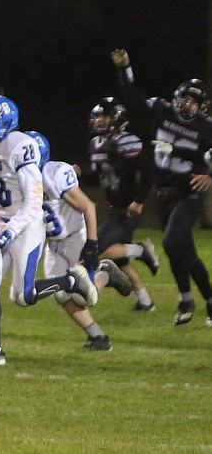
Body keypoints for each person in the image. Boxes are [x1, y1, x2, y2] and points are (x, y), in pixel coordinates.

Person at [0, 95, 97, 366]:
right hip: (4, 221)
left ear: (3, 122)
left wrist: (10, 230)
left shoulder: (20, 145)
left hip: (26, 224)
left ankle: (70, 281)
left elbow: (34, 199)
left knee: (23, 298)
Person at [112, 49, 212, 326]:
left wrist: (208, 173)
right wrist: (125, 70)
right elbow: (133, 103)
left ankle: (186, 300)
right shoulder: (163, 109)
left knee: (170, 242)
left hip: (188, 191)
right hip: (164, 191)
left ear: (202, 106)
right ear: (178, 97)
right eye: (187, 98)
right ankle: (204, 300)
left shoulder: (206, 128)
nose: (190, 105)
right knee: (185, 253)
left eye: (195, 101)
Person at [28, 131, 134, 352]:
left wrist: (92, 244)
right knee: (61, 293)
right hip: (53, 242)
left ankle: (104, 272)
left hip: (74, 236)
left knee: (85, 297)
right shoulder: (24, 177)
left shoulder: (54, 173)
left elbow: (88, 206)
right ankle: (98, 337)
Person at [77, 97, 159, 312]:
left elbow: (149, 170)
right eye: (96, 116)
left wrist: (139, 201)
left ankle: (141, 250)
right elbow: (98, 178)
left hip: (129, 208)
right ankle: (145, 301)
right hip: (116, 208)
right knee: (120, 261)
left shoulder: (125, 141)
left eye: (104, 116)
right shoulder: (95, 143)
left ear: (116, 117)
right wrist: (79, 175)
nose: (99, 121)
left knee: (99, 251)